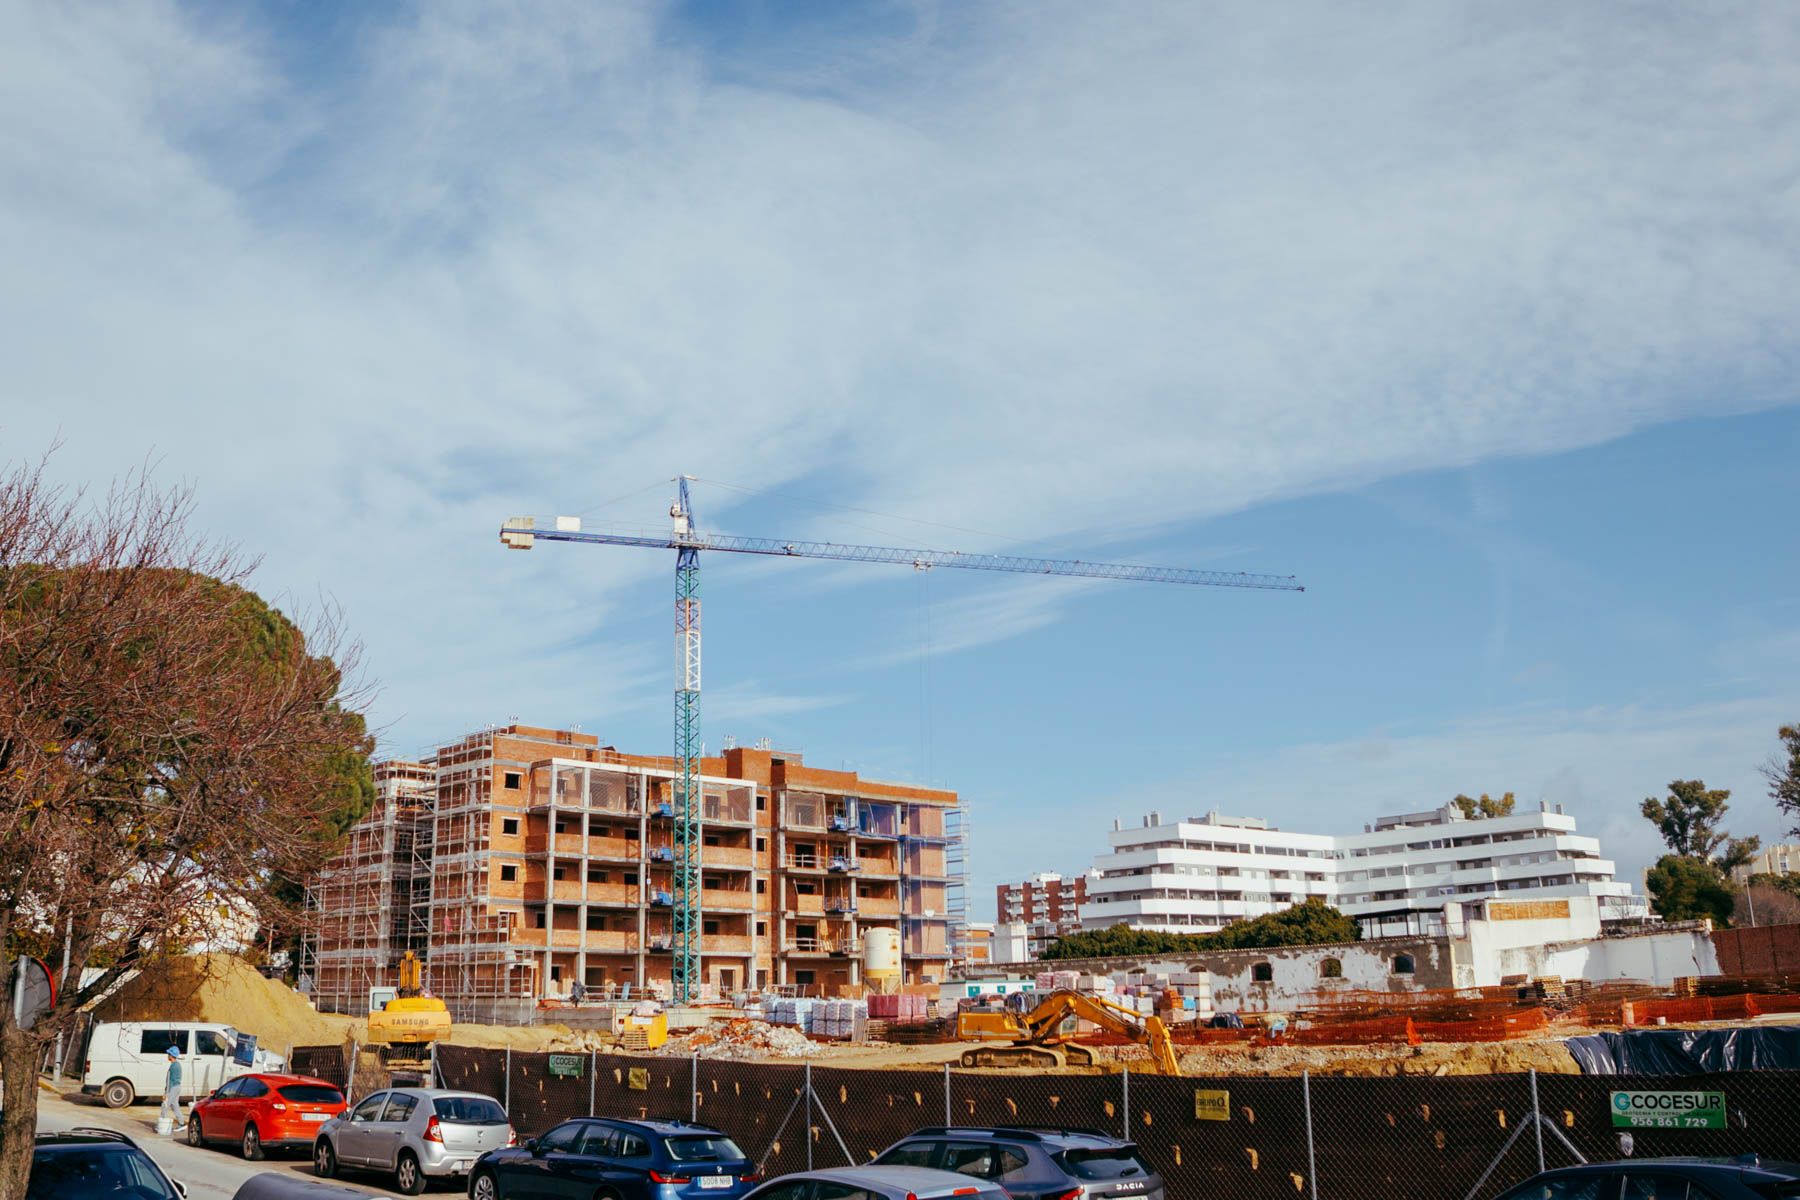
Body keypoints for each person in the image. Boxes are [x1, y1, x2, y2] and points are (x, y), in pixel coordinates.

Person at [159, 1046, 184, 1130]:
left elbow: (170, 1081)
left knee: (165, 1105)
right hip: (177, 1087)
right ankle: (181, 1123)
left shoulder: (174, 1066)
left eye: (168, 1054)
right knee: (174, 1105)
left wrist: (166, 1093)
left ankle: (162, 1125)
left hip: (172, 1087)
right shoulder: (177, 1065)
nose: (167, 1055)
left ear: (171, 1055)